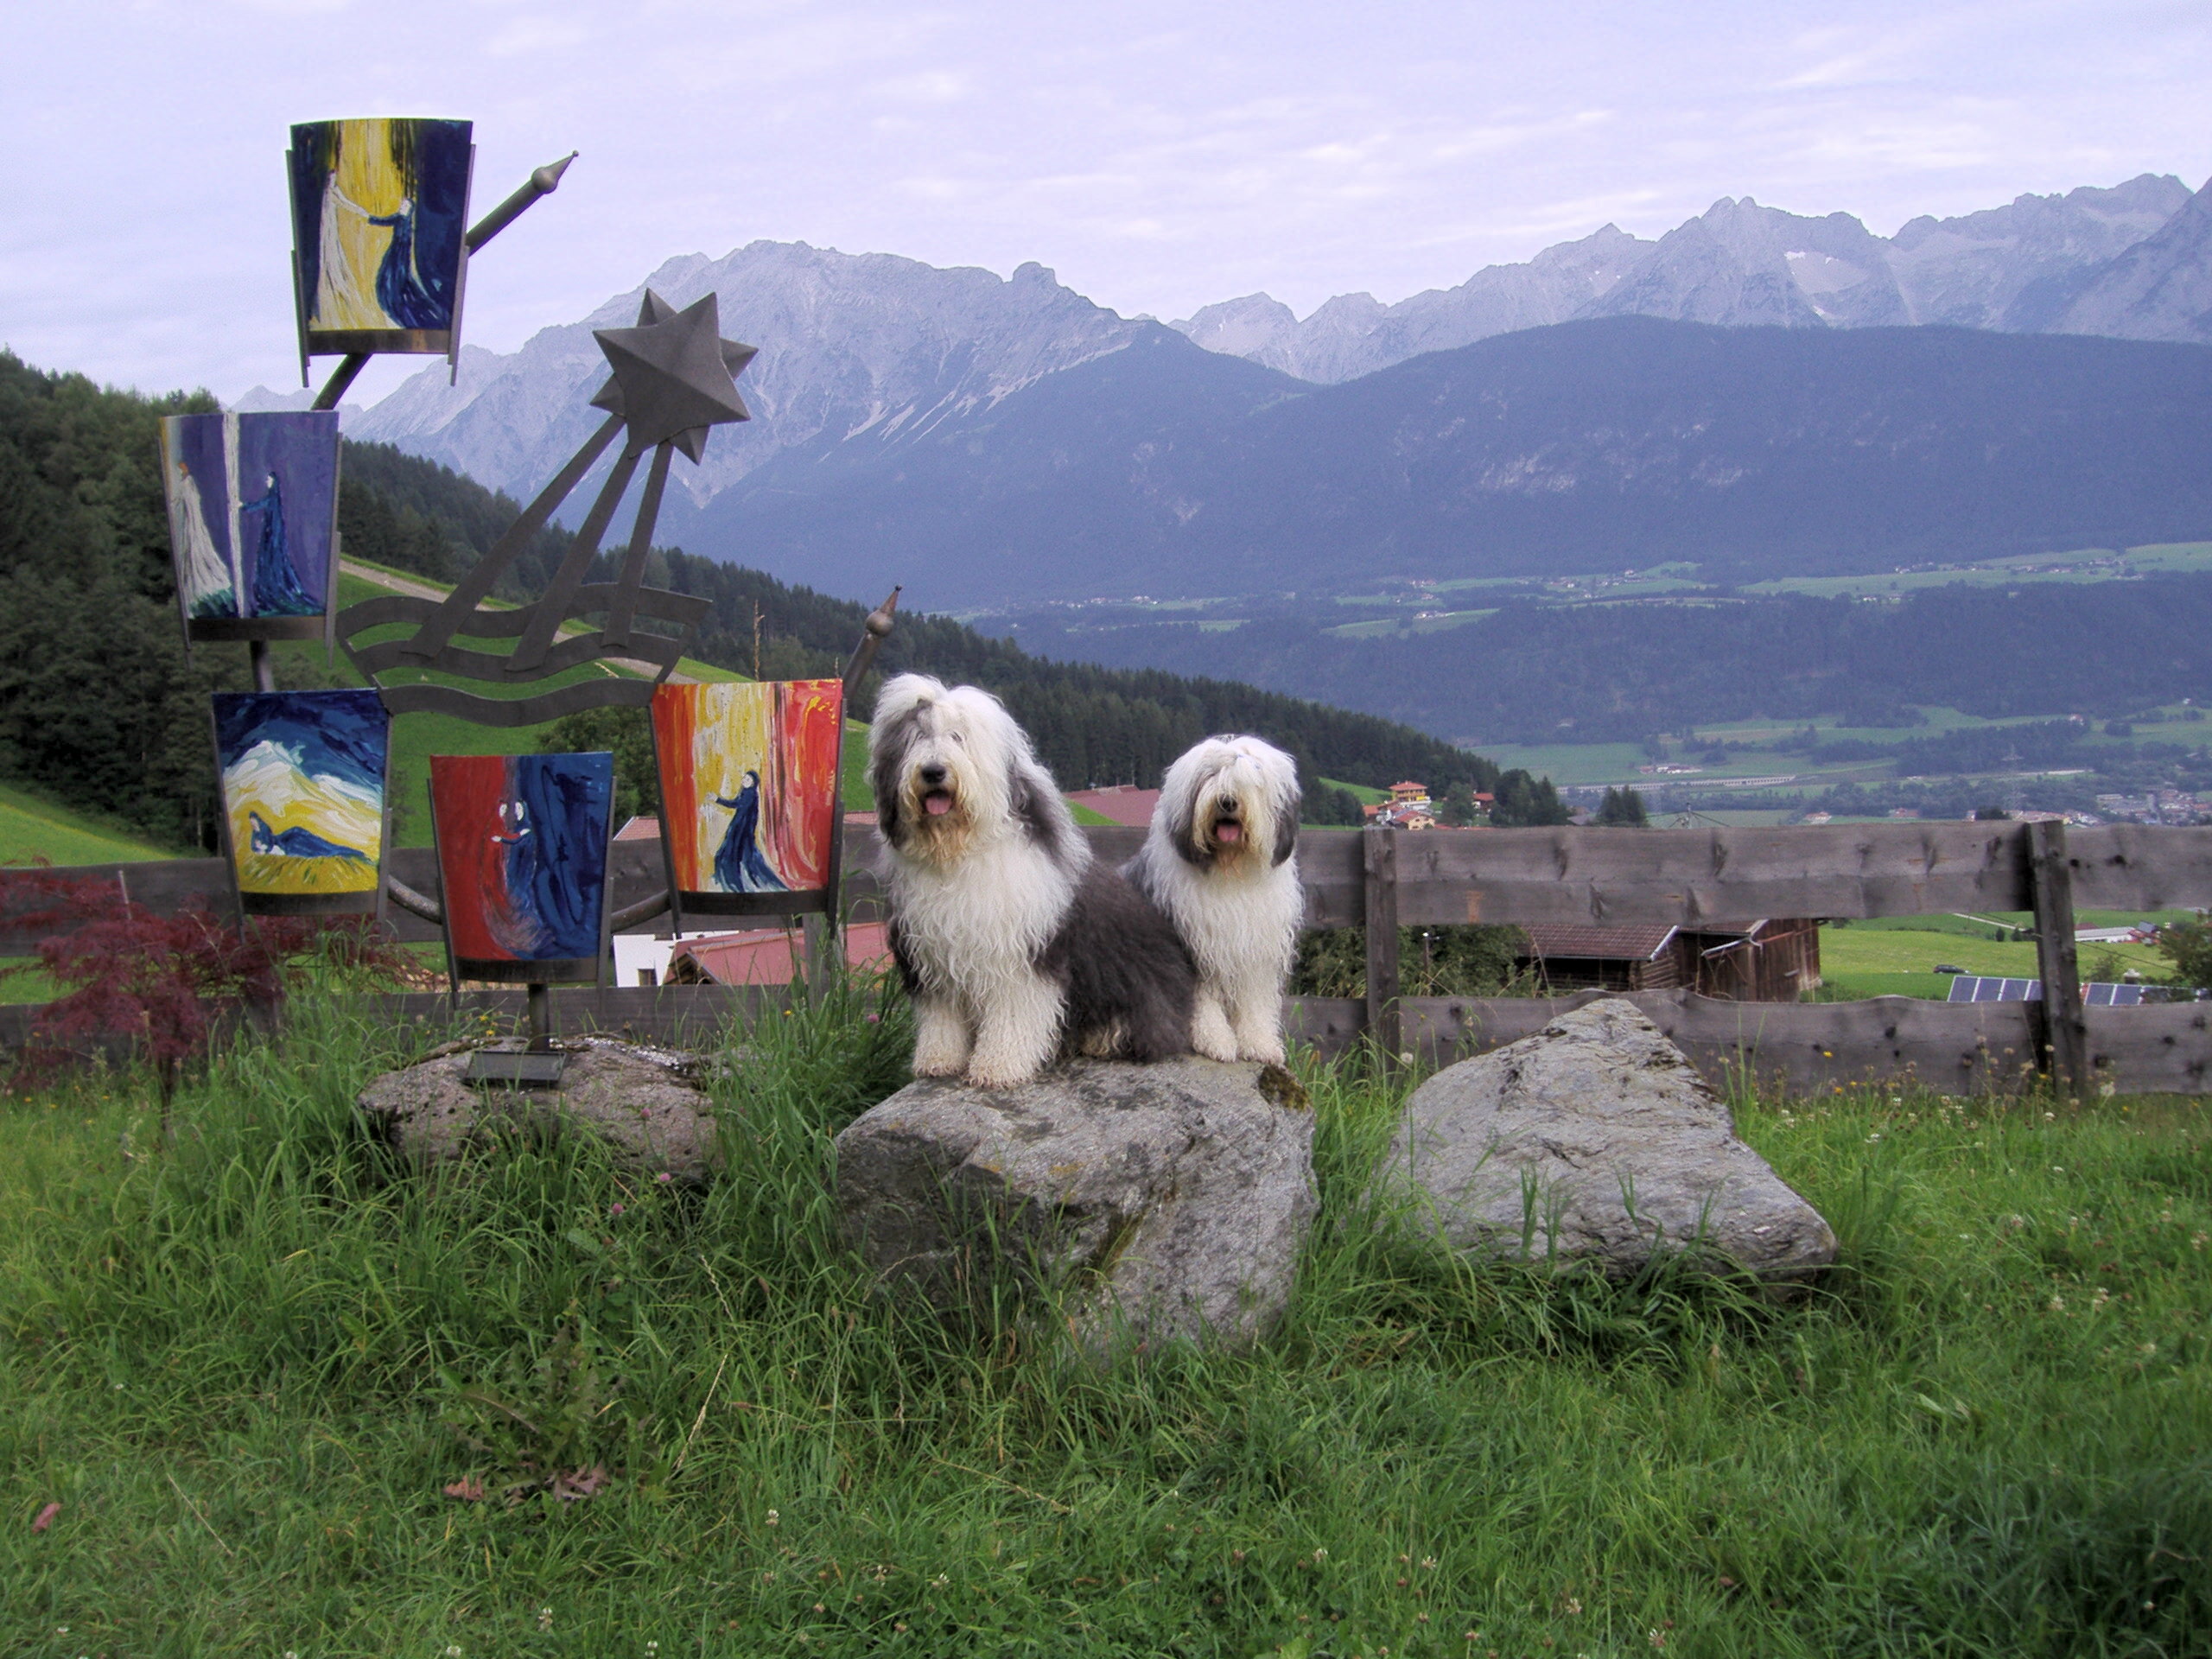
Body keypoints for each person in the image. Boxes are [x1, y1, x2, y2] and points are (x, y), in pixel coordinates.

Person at [240, 470, 316, 616]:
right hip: (271, 536)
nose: (267, 482)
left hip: (272, 538)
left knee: (269, 562)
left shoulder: (272, 499)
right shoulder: (274, 498)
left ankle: (270, 590)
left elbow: (259, 505)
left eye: (269, 480)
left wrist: (243, 506)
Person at [712, 770, 786, 892]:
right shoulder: (746, 792)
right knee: (742, 855)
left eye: (748, 779)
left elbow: (736, 804)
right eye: (744, 778)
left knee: (736, 855)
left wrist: (717, 800)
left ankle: (735, 882)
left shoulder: (750, 794)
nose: (744, 781)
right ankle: (735, 880)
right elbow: (738, 805)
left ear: (753, 783)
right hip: (740, 829)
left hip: (741, 831)